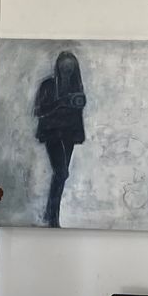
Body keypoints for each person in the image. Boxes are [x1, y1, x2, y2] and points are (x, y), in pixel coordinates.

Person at [33, 49, 86, 227]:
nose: (67, 71)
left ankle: (50, 214)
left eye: (70, 68)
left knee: (61, 174)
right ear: (58, 66)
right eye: (64, 67)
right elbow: (38, 111)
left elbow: (78, 115)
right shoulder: (48, 85)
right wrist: (59, 103)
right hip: (52, 133)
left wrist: (79, 132)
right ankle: (52, 216)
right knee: (61, 173)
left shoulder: (75, 88)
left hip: (69, 134)